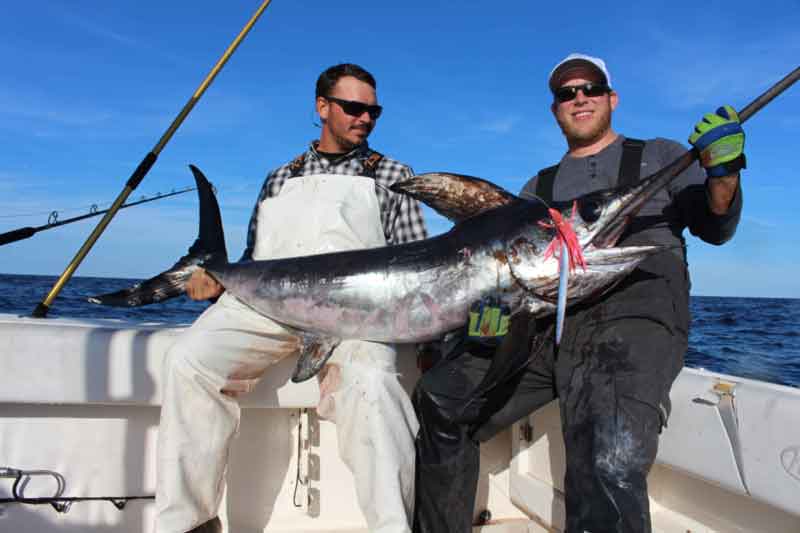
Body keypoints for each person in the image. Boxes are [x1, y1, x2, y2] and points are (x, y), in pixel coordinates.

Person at [411, 53, 744, 533]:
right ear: (556, 110)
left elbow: (715, 224)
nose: (579, 97)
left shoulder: (663, 156)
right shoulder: (535, 189)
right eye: (567, 93)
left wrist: (725, 173)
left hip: (633, 323)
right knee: (442, 400)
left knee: (606, 452)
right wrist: (474, 335)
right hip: (546, 324)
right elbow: (504, 284)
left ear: (612, 98)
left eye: (590, 88)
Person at [156, 63, 428, 533]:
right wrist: (216, 280)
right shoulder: (279, 178)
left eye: (373, 111)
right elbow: (255, 259)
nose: (365, 118)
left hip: (356, 316)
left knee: (374, 383)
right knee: (187, 360)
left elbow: (416, 266)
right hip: (271, 311)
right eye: (354, 108)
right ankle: (189, 523)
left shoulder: (394, 174)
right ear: (322, 107)